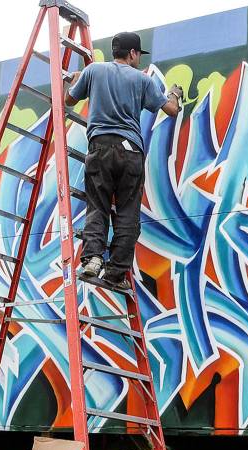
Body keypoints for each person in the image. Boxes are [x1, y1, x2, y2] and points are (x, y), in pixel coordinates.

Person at [65, 31, 183, 291]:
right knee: (128, 214)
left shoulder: (93, 71)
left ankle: (92, 259)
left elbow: (69, 99)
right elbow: (171, 110)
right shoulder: (142, 80)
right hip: (130, 152)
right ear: (131, 53)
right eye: (139, 54)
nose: (139, 59)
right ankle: (116, 274)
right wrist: (174, 93)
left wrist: (78, 80)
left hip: (99, 148)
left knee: (98, 207)